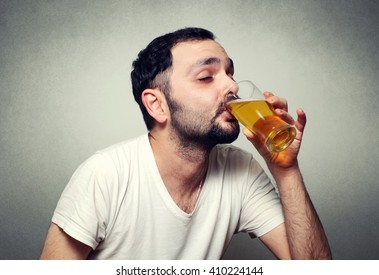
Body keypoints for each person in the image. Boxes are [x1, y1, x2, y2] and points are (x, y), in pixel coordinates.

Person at [40, 27, 332, 260]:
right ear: (157, 105)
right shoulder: (105, 175)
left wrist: (286, 169)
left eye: (230, 73)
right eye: (206, 77)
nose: (232, 86)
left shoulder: (240, 171)